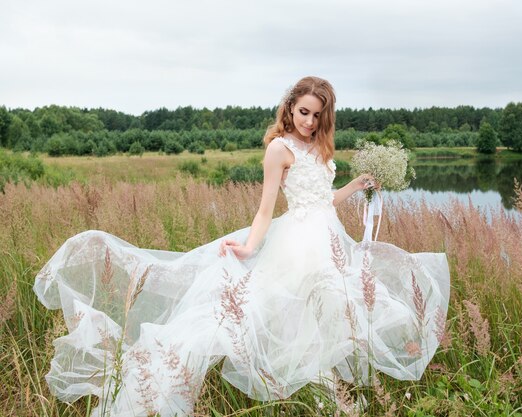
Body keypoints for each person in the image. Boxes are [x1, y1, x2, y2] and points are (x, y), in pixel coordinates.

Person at [34, 76, 450, 417]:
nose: (308, 121)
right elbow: (266, 210)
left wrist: (356, 186)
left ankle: (330, 397)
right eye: (303, 111)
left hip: (329, 238)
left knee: (329, 315)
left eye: (317, 115)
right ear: (289, 107)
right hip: (299, 243)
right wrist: (251, 246)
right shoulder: (279, 148)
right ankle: (319, 396)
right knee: (279, 316)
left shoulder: (319, 148)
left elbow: (323, 202)